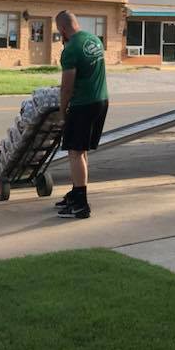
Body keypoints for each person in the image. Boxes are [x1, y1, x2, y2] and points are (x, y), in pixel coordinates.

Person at [53, 11, 108, 219]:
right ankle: (77, 192)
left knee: (75, 152)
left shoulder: (71, 50)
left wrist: (61, 112)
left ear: (63, 29)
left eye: (60, 32)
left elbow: (66, 87)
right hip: (101, 100)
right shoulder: (94, 40)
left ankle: (81, 205)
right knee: (81, 151)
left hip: (83, 104)